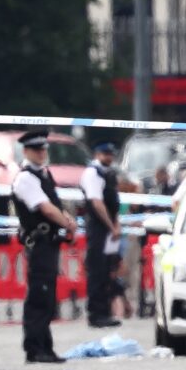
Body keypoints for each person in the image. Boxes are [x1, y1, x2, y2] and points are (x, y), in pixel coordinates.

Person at [11, 130, 77, 364]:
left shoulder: (42, 174)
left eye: (44, 149)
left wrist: (67, 220)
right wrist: (67, 223)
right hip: (39, 243)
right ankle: (35, 348)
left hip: (49, 243)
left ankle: (45, 346)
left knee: (47, 296)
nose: (42, 153)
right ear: (26, 151)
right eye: (37, 149)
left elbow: (54, 204)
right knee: (39, 296)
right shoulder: (26, 178)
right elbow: (45, 209)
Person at [79, 141, 122, 329]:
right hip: (98, 228)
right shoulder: (92, 173)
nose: (109, 157)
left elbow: (113, 205)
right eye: (105, 154)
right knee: (97, 271)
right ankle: (95, 314)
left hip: (108, 227)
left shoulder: (108, 173)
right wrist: (111, 226)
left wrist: (116, 225)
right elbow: (96, 203)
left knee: (106, 271)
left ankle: (104, 312)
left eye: (111, 154)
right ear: (97, 154)